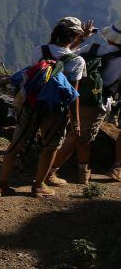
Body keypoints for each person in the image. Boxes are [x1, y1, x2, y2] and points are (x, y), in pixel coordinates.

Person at [0, 17, 92, 197]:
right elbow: (73, 94)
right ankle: (38, 185)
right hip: (55, 111)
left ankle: (1, 184)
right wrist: (75, 121)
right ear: (75, 36)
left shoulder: (40, 50)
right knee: (50, 147)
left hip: (31, 104)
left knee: (16, 144)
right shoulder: (78, 61)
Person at [50, 19, 121, 184]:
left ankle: (84, 173)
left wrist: (83, 38)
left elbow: (67, 56)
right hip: (96, 101)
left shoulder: (93, 48)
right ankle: (50, 170)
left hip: (73, 95)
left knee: (77, 134)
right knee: (80, 137)